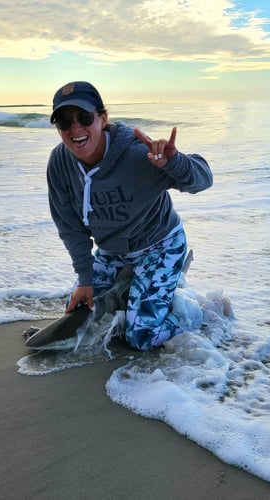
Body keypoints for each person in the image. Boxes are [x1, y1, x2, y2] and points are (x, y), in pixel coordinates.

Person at [47, 81, 213, 350]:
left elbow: (204, 180)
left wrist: (175, 162)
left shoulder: (138, 154)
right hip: (112, 251)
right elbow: (70, 228)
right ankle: (137, 292)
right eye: (64, 121)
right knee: (78, 318)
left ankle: (192, 311)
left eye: (84, 117)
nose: (75, 128)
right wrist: (85, 280)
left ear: (102, 118)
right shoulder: (60, 163)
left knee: (141, 337)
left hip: (159, 247)